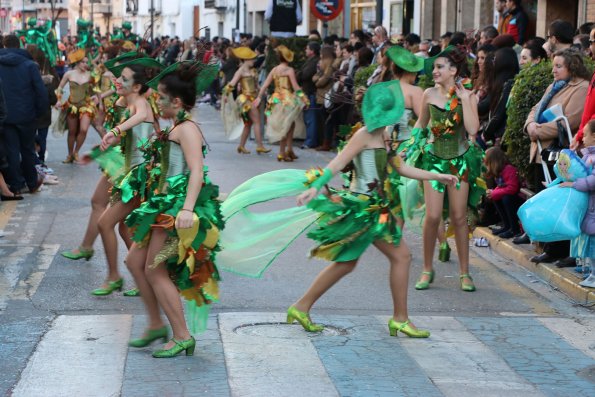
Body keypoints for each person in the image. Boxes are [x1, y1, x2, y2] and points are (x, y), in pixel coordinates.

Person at [219, 80, 458, 337]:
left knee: (359, 262)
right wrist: (315, 186)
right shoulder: (364, 134)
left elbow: (400, 167)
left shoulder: (384, 135)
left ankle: (307, 307)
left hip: (377, 209)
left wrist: (436, 176)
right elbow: (335, 164)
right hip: (361, 210)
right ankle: (394, 318)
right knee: (377, 260)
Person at [124, 61, 223, 358]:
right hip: (162, 204)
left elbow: (196, 172)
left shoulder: (188, 129)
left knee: (154, 270)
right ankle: (156, 323)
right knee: (134, 261)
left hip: (174, 206)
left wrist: (187, 209)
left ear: (177, 101)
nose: (158, 102)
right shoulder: (176, 127)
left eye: (162, 98)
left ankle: (181, 335)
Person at [408, 46, 485, 292]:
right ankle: (427, 269)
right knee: (432, 217)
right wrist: (409, 147)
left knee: (459, 217)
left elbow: (473, 130)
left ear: (453, 70)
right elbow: (421, 124)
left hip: (459, 162)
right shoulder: (428, 94)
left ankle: (465, 273)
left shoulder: (468, 95)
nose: (435, 71)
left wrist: (464, 100)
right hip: (432, 161)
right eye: (434, 67)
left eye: (440, 67)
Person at [94, 57, 163, 296]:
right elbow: (130, 120)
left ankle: (116, 277)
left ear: (137, 86)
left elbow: (141, 116)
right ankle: (144, 277)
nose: (118, 81)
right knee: (125, 229)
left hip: (139, 178)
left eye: (124, 78)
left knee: (105, 223)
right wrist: (116, 135)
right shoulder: (130, 102)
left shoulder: (141, 104)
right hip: (131, 175)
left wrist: (116, 130)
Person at [524, 48, 589, 264]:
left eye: (559, 66)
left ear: (572, 66)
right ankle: (549, 248)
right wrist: (530, 125)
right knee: (547, 198)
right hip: (541, 149)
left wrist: (538, 131)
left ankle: (560, 250)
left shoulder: (580, 88)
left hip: (559, 153)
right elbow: (535, 108)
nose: (554, 70)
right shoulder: (554, 85)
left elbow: (568, 121)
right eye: (554, 65)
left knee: (562, 202)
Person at [0, 34, 48, 194]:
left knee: (11, 150)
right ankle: (32, 183)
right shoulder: (29, 65)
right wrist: (38, 113)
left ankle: (16, 185)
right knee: (27, 150)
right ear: (19, 45)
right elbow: (41, 92)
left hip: (6, 115)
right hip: (27, 115)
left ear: (5, 46)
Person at [255, 45, 307, 162]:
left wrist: (259, 97)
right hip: (287, 99)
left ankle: (289, 149)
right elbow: (295, 87)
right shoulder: (289, 70)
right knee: (286, 125)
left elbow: (265, 85)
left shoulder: (274, 70)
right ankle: (282, 152)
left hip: (276, 99)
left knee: (290, 124)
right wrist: (304, 98)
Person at [560, 119, 595, 288]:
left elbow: (593, 180)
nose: (582, 139)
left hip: (593, 208)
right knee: (589, 244)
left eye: (585, 135)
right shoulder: (588, 155)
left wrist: (573, 184)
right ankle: (591, 273)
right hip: (588, 208)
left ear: (594, 136)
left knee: (594, 244)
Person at [221, 47, 271, 155]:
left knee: (248, 123)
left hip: (253, 98)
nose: (254, 60)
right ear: (246, 59)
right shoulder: (240, 71)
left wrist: (261, 92)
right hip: (246, 100)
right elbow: (231, 84)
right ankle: (260, 146)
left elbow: (256, 85)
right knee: (257, 121)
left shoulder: (252, 70)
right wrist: (226, 95)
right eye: (252, 59)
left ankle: (241, 146)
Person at [55, 48, 96, 163]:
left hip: (86, 106)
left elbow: (95, 90)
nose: (85, 64)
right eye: (83, 62)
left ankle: (76, 152)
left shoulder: (90, 75)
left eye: (87, 62)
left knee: (83, 129)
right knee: (72, 131)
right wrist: (59, 99)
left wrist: (97, 99)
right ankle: (69, 155)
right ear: (77, 63)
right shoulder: (69, 74)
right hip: (72, 105)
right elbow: (60, 87)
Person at [479, 47, 519, 148]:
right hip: (495, 136)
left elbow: (499, 114)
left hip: (499, 138)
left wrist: (485, 133)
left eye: (495, 59)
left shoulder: (508, 84)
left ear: (503, 62)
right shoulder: (500, 82)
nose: (492, 62)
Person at [484, 147, 522, 238]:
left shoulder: (509, 169)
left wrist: (495, 192)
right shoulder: (500, 171)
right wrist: (493, 192)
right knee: (496, 198)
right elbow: (501, 186)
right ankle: (507, 226)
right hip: (510, 197)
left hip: (519, 198)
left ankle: (514, 229)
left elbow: (512, 188)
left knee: (506, 198)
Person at [297, 41, 320, 149]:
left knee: (311, 118)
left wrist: (299, 74)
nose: (305, 50)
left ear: (312, 51)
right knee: (308, 118)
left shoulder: (314, 62)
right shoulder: (310, 61)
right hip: (307, 92)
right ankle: (310, 140)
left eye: (307, 49)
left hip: (310, 92)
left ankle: (311, 141)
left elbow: (305, 74)